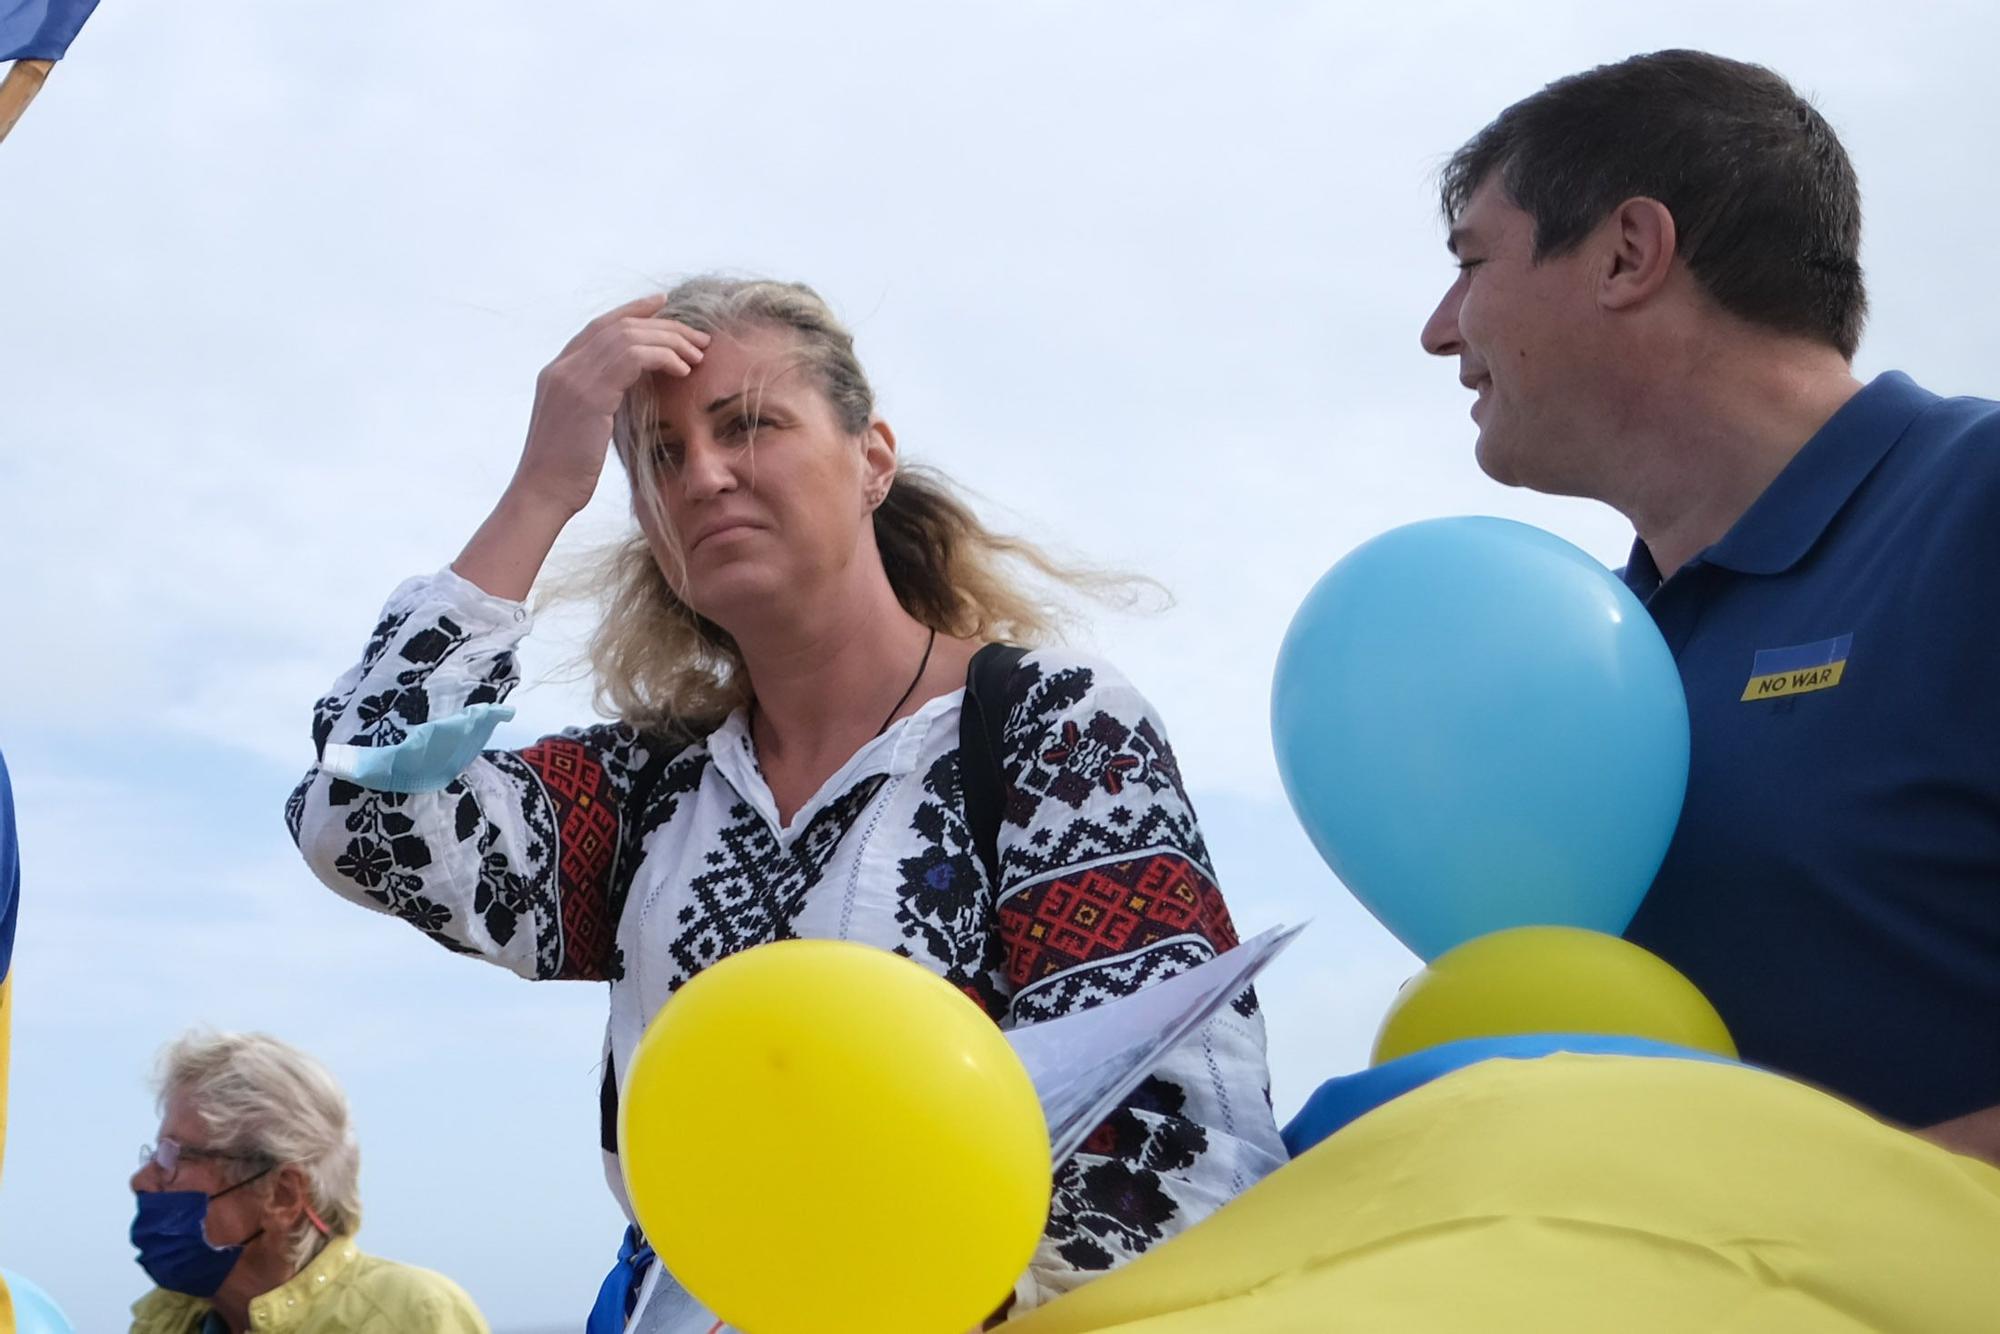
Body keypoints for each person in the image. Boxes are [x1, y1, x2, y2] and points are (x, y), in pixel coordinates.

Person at [286, 277, 1286, 1326]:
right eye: (659, 458)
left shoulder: (1050, 722)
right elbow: (364, 816)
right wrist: (543, 484)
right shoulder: (652, 789)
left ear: (872, 458)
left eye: (748, 425)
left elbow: (1171, 1137)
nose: (703, 476)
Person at [1420, 49, 2000, 1162]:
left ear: (1627, 252)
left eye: (1469, 261)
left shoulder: (1975, 508)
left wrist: (1793, 1220)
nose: (1439, 329)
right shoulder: (1588, 659)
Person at [128, 1029, 488, 1333]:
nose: (141, 1180)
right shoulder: (165, 1320)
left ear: (281, 1195)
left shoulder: (410, 1315)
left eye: (175, 1157)